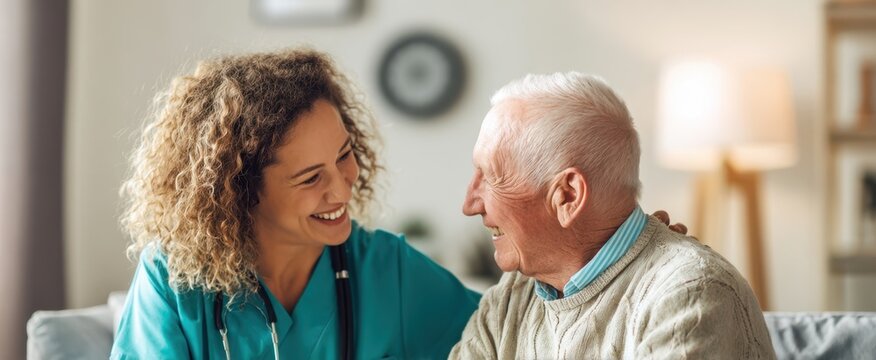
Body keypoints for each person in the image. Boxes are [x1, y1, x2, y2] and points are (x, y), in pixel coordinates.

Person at [110, 49, 481, 359]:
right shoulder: (173, 279)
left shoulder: (387, 270)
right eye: (310, 178)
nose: (341, 190)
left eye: (344, 155)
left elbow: (506, 330)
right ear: (240, 191)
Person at [450, 72, 776, 359]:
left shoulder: (689, 294)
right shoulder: (511, 298)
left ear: (568, 195)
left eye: (490, 177)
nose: (470, 204)